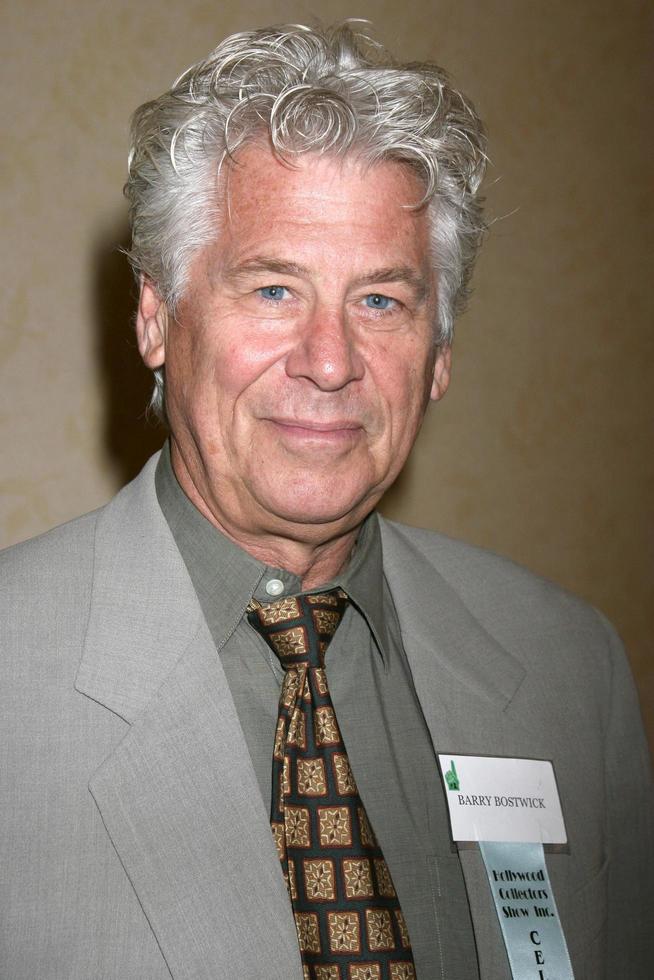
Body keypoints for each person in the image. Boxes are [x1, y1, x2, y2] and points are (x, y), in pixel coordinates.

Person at [1, 21, 651, 980]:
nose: (332, 361)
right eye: (272, 290)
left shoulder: (571, 669)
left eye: (382, 301)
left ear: (438, 356)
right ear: (155, 318)